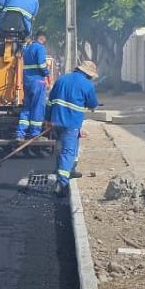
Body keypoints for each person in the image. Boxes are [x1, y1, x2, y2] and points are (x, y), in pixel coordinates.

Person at [44, 61, 99, 198]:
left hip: (55, 120)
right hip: (71, 123)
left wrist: (47, 119)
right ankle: (61, 183)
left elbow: (50, 101)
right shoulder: (87, 85)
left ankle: (68, 169)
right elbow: (93, 103)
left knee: (61, 148)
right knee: (68, 151)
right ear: (89, 74)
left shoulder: (61, 79)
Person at [16, 31, 50, 141]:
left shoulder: (27, 49)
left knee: (27, 107)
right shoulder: (40, 48)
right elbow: (41, 64)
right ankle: (35, 134)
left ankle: (20, 134)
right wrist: (47, 73)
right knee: (37, 108)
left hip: (27, 81)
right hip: (38, 81)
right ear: (42, 38)